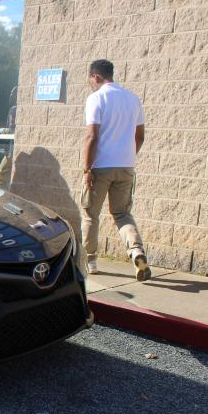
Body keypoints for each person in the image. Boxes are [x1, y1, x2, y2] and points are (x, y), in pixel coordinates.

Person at [82, 59, 149, 281]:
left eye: (90, 79)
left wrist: (87, 169)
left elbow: (92, 136)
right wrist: (127, 155)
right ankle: (137, 252)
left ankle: (89, 260)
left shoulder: (97, 98)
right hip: (126, 165)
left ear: (97, 77)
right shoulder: (133, 99)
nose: (90, 83)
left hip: (100, 167)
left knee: (91, 213)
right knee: (122, 213)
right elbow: (139, 136)